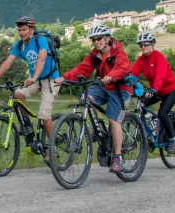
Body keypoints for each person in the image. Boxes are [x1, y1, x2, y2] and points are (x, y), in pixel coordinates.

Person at [56, 23, 133, 173]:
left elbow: (125, 67)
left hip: (120, 88)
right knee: (87, 98)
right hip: (103, 85)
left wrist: (111, 76)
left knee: (113, 119)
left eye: (99, 39)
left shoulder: (118, 52)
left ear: (108, 38)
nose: (96, 42)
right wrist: (64, 78)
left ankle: (118, 157)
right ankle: (97, 127)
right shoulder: (95, 55)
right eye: (93, 39)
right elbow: (82, 69)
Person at [0, 16, 61, 144]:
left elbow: (41, 60)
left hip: (51, 80)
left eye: (24, 30)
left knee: (43, 114)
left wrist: (34, 77)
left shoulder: (40, 40)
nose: (21, 33)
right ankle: (26, 125)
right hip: (36, 80)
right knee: (17, 94)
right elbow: (8, 63)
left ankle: (53, 148)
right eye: (19, 30)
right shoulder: (19, 45)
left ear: (32, 29)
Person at [130, 32, 175, 153]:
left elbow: (160, 76)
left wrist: (154, 89)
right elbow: (133, 74)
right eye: (141, 45)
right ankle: (148, 130)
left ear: (152, 45)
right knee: (141, 105)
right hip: (156, 90)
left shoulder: (159, 57)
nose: (143, 47)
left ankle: (173, 138)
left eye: (146, 44)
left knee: (163, 113)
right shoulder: (141, 60)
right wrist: (127, 85)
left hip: (170, 90)